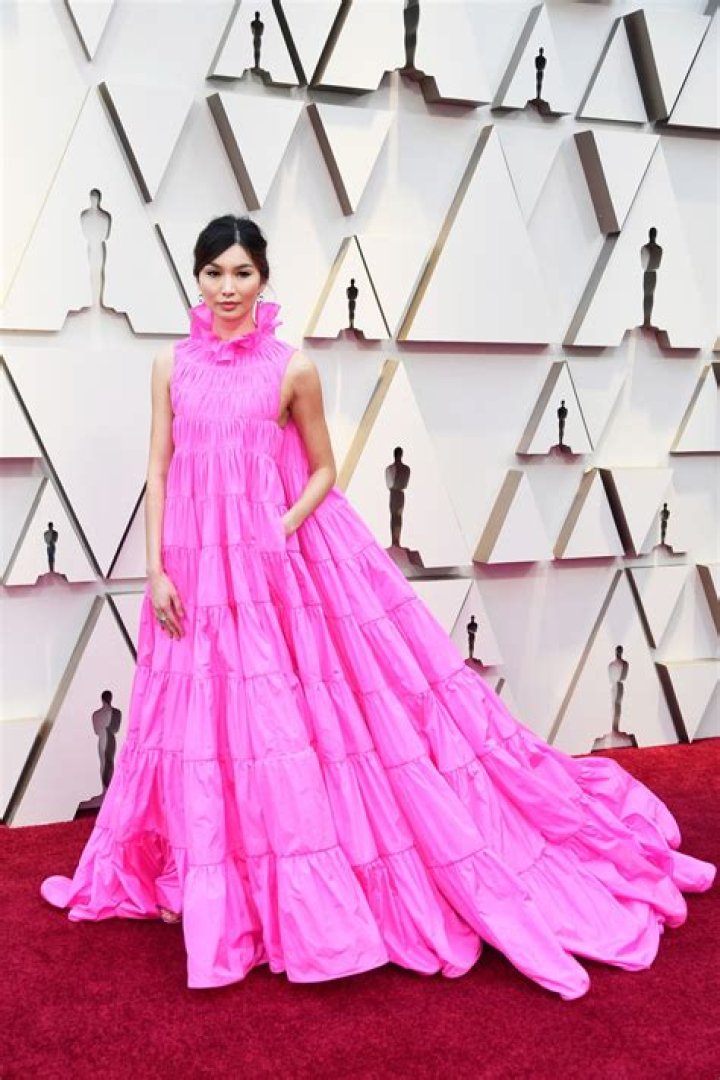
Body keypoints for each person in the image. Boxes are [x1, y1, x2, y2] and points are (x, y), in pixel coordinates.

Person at [41, 215, 715, 998]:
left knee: (275, 725)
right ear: (196, 278)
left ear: (264, 281)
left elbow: (324, 470)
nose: (227, 290)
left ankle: (271, 890)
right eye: (214, 274)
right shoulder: (169, 365)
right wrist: (154, 569)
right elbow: (160, 465)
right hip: (192, 566)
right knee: (199, 716)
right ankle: (202, 874)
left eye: (242, 274)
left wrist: (280, 527)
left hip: (268, 566)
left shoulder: (292, 370)